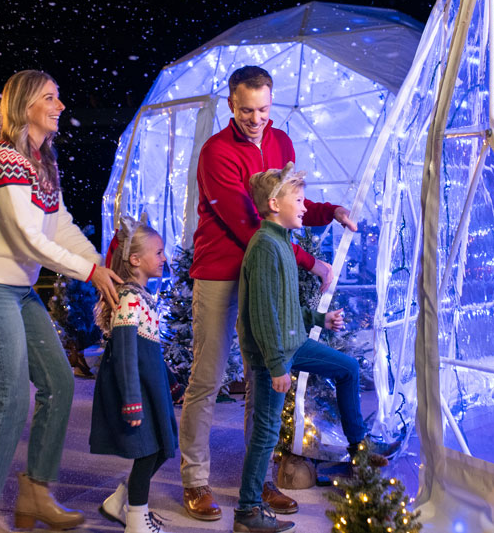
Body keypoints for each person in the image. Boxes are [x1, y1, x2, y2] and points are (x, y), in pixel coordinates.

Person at [179, 65, 358, 521]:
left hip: (263, 271)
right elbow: (250, 225)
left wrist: (330, 211)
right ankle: (195, 480)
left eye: (263, 109)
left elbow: (287, 202)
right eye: (246, 110)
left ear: (271, 103)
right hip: (222, 272)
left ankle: (257, 481)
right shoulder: (217, 153)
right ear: (231, 105)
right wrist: (311, 262)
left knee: (262, 375)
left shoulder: (281, 143)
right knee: (208, 377)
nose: (256, 119)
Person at [0, 69, 121, 533]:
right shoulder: (4, 160)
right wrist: (88, 271)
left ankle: (35, 492)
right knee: (9, 399)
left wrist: (99, 266)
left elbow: (59, 224)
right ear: (24, 106)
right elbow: (27, 239)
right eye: (50, 98)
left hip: (19, 289)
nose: (60, 106)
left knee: (59, 384)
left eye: (58, 97)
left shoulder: (41, 160)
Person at [235, 163, 380, 532]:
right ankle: (247, 511)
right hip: (274, 353)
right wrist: (276, 366)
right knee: (267, 430)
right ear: (274, 204)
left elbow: (283, 306)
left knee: (347, 368)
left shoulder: (282, 242)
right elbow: (264, 313)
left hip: (291, 343)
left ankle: (359, 452)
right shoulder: (265, 247)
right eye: (298, 200)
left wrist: (319, 319)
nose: (304, 207)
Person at [89, 215, 179, 533]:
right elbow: (126, 352)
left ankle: (120, 502)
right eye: (159, 252)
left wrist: (171, 382)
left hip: (150, 388)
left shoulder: (142, 297)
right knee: (149, 451)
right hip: (136, 390)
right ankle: (137, 521)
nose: (164, 258)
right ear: (136, 260)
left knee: (163, 446)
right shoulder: (129, 299)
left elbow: (149, 348)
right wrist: (131, 400)